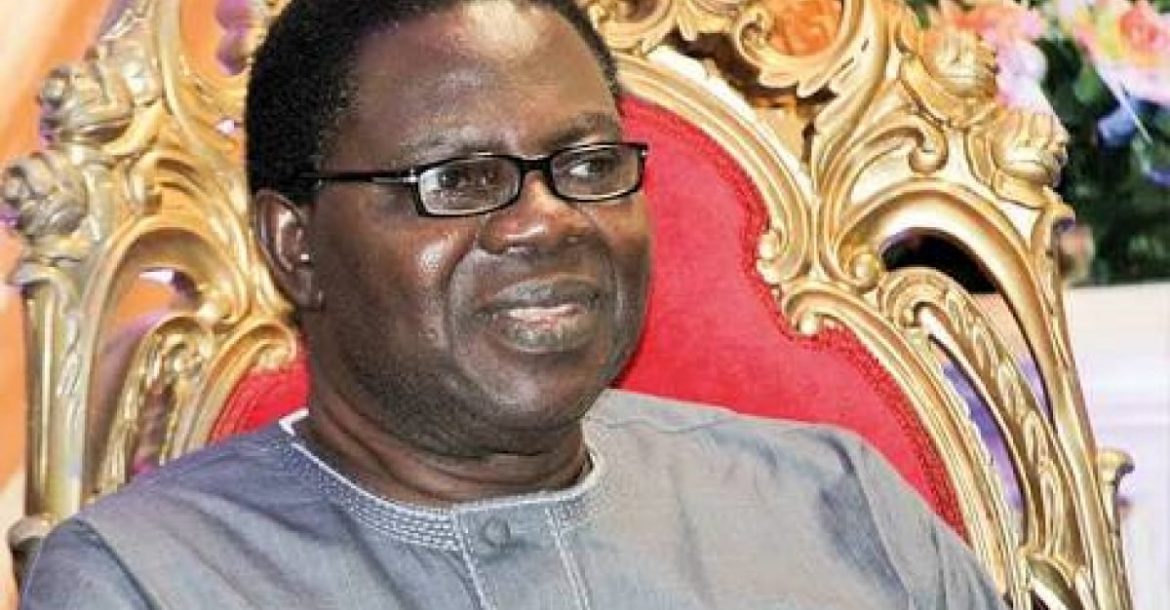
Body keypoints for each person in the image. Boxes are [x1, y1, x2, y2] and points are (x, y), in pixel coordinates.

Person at [19, 0, 1009, 607]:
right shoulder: (148, 580)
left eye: (588, 164)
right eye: (459, 180)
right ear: (297, 245)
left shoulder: (835, 501)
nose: (547, 220)